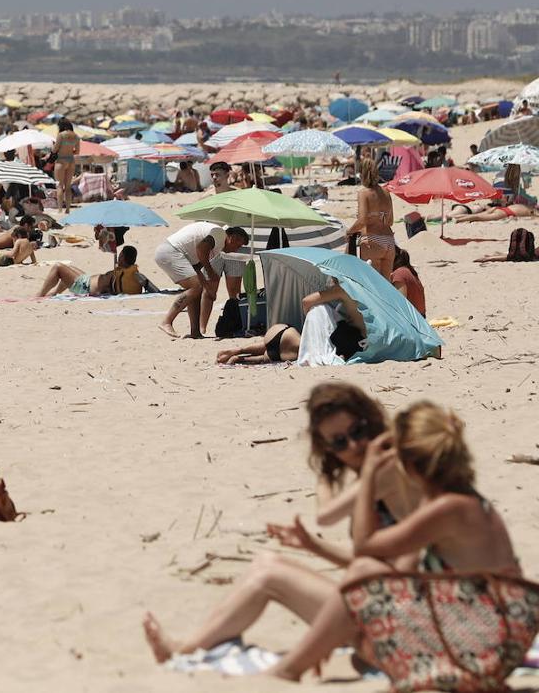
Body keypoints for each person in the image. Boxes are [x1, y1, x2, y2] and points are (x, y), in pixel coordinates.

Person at [144, 382, 420, 663]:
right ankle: (188, 646)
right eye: (339, 442)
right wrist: (313, 546)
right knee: (267, 565)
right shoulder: (376, 472)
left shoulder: (388, 467)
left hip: (403, 629)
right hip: (392, 611)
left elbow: (327, 515)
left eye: (357, 432)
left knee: (268, 575)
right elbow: (375, 563)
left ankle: (183, 651)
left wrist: (326, 469)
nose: (353, 445)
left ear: (369, 421)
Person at [270, 401, 521, 681]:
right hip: (481, 636)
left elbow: (365, 546)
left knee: (363, 575)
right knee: (363, 612)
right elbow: (401, 571)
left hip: (483, 650)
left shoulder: (447, 508)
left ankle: (286, 671)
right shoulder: (455, 499)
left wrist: (369, 476)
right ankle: (301, 660)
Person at [155, 223, 248, 339]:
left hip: (171, 252)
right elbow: (200, 250)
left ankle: (195, 332)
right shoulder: (219, 234)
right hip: (171, 252)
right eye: (238, 246)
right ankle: (167, 321)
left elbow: (197, 268)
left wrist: (208, 288)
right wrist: (211, 273)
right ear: (232, 238)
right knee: (195, 287)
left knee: (196, 290)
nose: (237, 249)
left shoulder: (217, 245)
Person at [36, 245, 155, 297]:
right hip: (87, 280)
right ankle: (54, 292)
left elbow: (106, 288)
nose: (118, 257)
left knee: (58, 267)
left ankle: (39, 295)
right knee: (70, 269)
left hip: (85, 287)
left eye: (120, 255)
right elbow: (152, 288)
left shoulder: (120, 274)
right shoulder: (131, 273)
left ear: (123, 258)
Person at [346, 161, 395, 278]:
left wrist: (349, 231)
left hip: (372, 240)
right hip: (389, 241)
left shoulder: (364, 193)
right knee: (385, 285)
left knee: (372, 284)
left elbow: (362, 220)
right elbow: (390, 221)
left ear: (362, 174)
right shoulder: (386, 192)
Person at [390, 247, 426, 317]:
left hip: (414, 319)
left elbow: (401, 303)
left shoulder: (399, 274)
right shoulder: (408, 270)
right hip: (420, 316)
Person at [53, 117, 79, 213]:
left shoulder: (61, 135)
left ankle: (60, 209)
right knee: (68, 186)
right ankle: (68, 209)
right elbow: (77, 151)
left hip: (61, 161)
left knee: (59, 186)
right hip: (71, 161)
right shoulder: (76, 136)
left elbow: (54, 150)